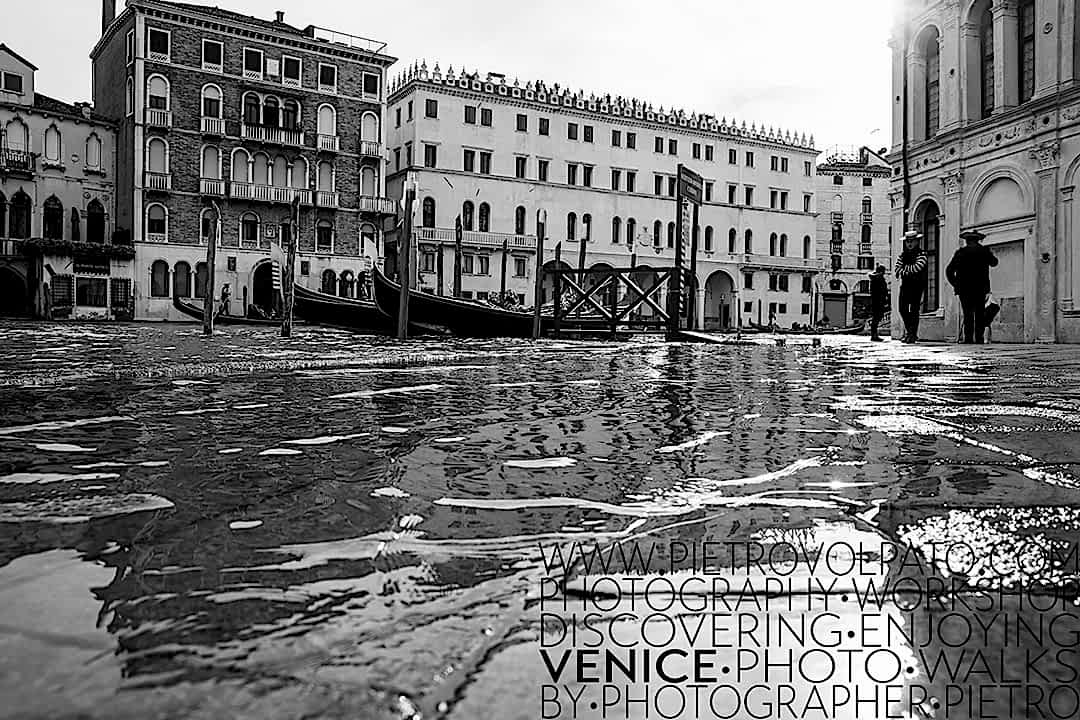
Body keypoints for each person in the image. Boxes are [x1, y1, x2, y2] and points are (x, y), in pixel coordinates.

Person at [946, 229, 998, 344]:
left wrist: (956, 284)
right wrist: (989, 253)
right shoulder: (984, 251)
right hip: (980, 289)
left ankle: (968, 338)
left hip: (964, 290)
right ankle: (979, 338)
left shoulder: (960, 253)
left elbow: (949, 271)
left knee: (967, 314)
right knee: (979, 313)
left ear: (967, 241)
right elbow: (994, 262)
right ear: (978, 240)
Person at [895, 230, 928, 343]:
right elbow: (897, 269)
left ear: (916, 242)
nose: (909, 244)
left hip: (917, 286)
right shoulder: (903, 255)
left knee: (914, 310)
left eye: (911, 241)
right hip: (905, 286)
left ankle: (912, 334)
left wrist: (904, 270)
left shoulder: (922, 254)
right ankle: (910, 332)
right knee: (902, 309)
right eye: (907, 242)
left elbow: (917, 267)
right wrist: (907, 270)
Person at [869, 265, 888, 342]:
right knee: (876, 317)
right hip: (878, 301)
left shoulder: (875, 279)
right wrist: (884, 299)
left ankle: (874, 334)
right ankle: (874, 335)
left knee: (876, 317)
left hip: (876, 301)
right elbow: (882, 291)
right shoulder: (878, 279)